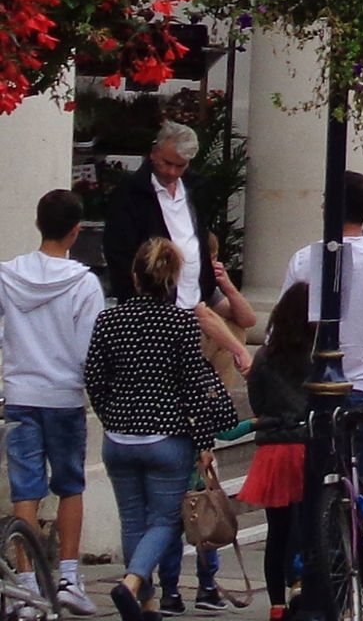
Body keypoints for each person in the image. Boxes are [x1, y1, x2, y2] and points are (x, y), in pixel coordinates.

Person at [82, 239, 236, 621]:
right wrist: (204, 443)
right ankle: (133, 582)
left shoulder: (110, 320)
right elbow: (194, 388)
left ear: (135, 277)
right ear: (173, 280)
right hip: (167, 436)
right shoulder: (181, 324)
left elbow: (94, 377)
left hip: (119, 438)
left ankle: (146, 603)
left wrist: (111, 415)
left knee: (132, 520)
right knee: (164, 520)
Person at [283, 171, 363, 505]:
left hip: (314, 387)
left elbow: (281, 329)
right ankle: (357, 531)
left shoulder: (305, 259)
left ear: (329, 207)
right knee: (358, 482)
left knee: (313, 483)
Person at [3, 190, 103, 618]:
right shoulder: (84, 283)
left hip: (21, 392)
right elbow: (89, 349)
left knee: (25, 488)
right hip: (63, 395)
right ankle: (68, 577)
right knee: (70, 485)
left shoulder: (7, 276)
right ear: (75, 231)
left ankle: (25, 583)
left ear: (39, 222)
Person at [100, 125, 248, 377]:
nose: (171, 172)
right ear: (154, 153)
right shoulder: (128, 195)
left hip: (195, 305)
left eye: (180, 166)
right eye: (167, 163)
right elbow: (119, 255)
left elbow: (200, 237)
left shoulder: (195, 189)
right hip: (152, 311)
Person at [239, 286, 314, 621]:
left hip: (273, 449)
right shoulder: (316, 355)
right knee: (305, 520)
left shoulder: (265, 356)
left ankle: (276, 604)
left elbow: (256, 401)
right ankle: (300, 582)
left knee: (277, 529)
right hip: (305, 445)